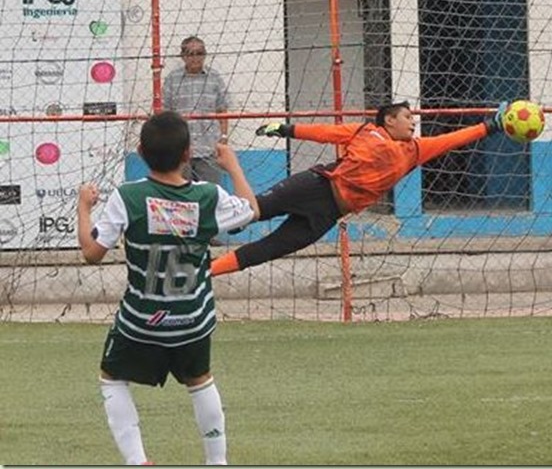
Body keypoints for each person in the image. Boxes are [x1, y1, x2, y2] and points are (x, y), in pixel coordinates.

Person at [77, 110, 258, 465]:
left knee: (112, 379)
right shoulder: (208, 196)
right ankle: (217, 461)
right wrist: (233, 167)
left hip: (142, 320)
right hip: (192, 317)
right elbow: (252, 209)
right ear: (188, 154)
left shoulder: (128, 197)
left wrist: (84, 208)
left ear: (141, 153)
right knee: (200, 380)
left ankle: (137, 461)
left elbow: (91, 253)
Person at [211, 100, 507, 277]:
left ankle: (206, 272)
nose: (413, 123)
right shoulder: (365, 131)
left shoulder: (415, 150)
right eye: (407, 117)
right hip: (316, 185)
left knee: (269, 249)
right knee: (250, 212)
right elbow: (326, 133)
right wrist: (286, 129)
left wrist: (490, 126)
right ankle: (212, 226)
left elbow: (453, 139)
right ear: (389, 119)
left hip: (329, 213)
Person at [163, 36, 230, 184]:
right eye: (190, 54)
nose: (195, 58)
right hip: (180, 150)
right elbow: (165, 111)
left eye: (199, 53)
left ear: (205, 55)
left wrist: (224, 137)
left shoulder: (214, 78)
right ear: (183, 56)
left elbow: (222, 109)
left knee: (211, 194)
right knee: (181, 196)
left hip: (209, 150)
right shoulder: (172, 79)